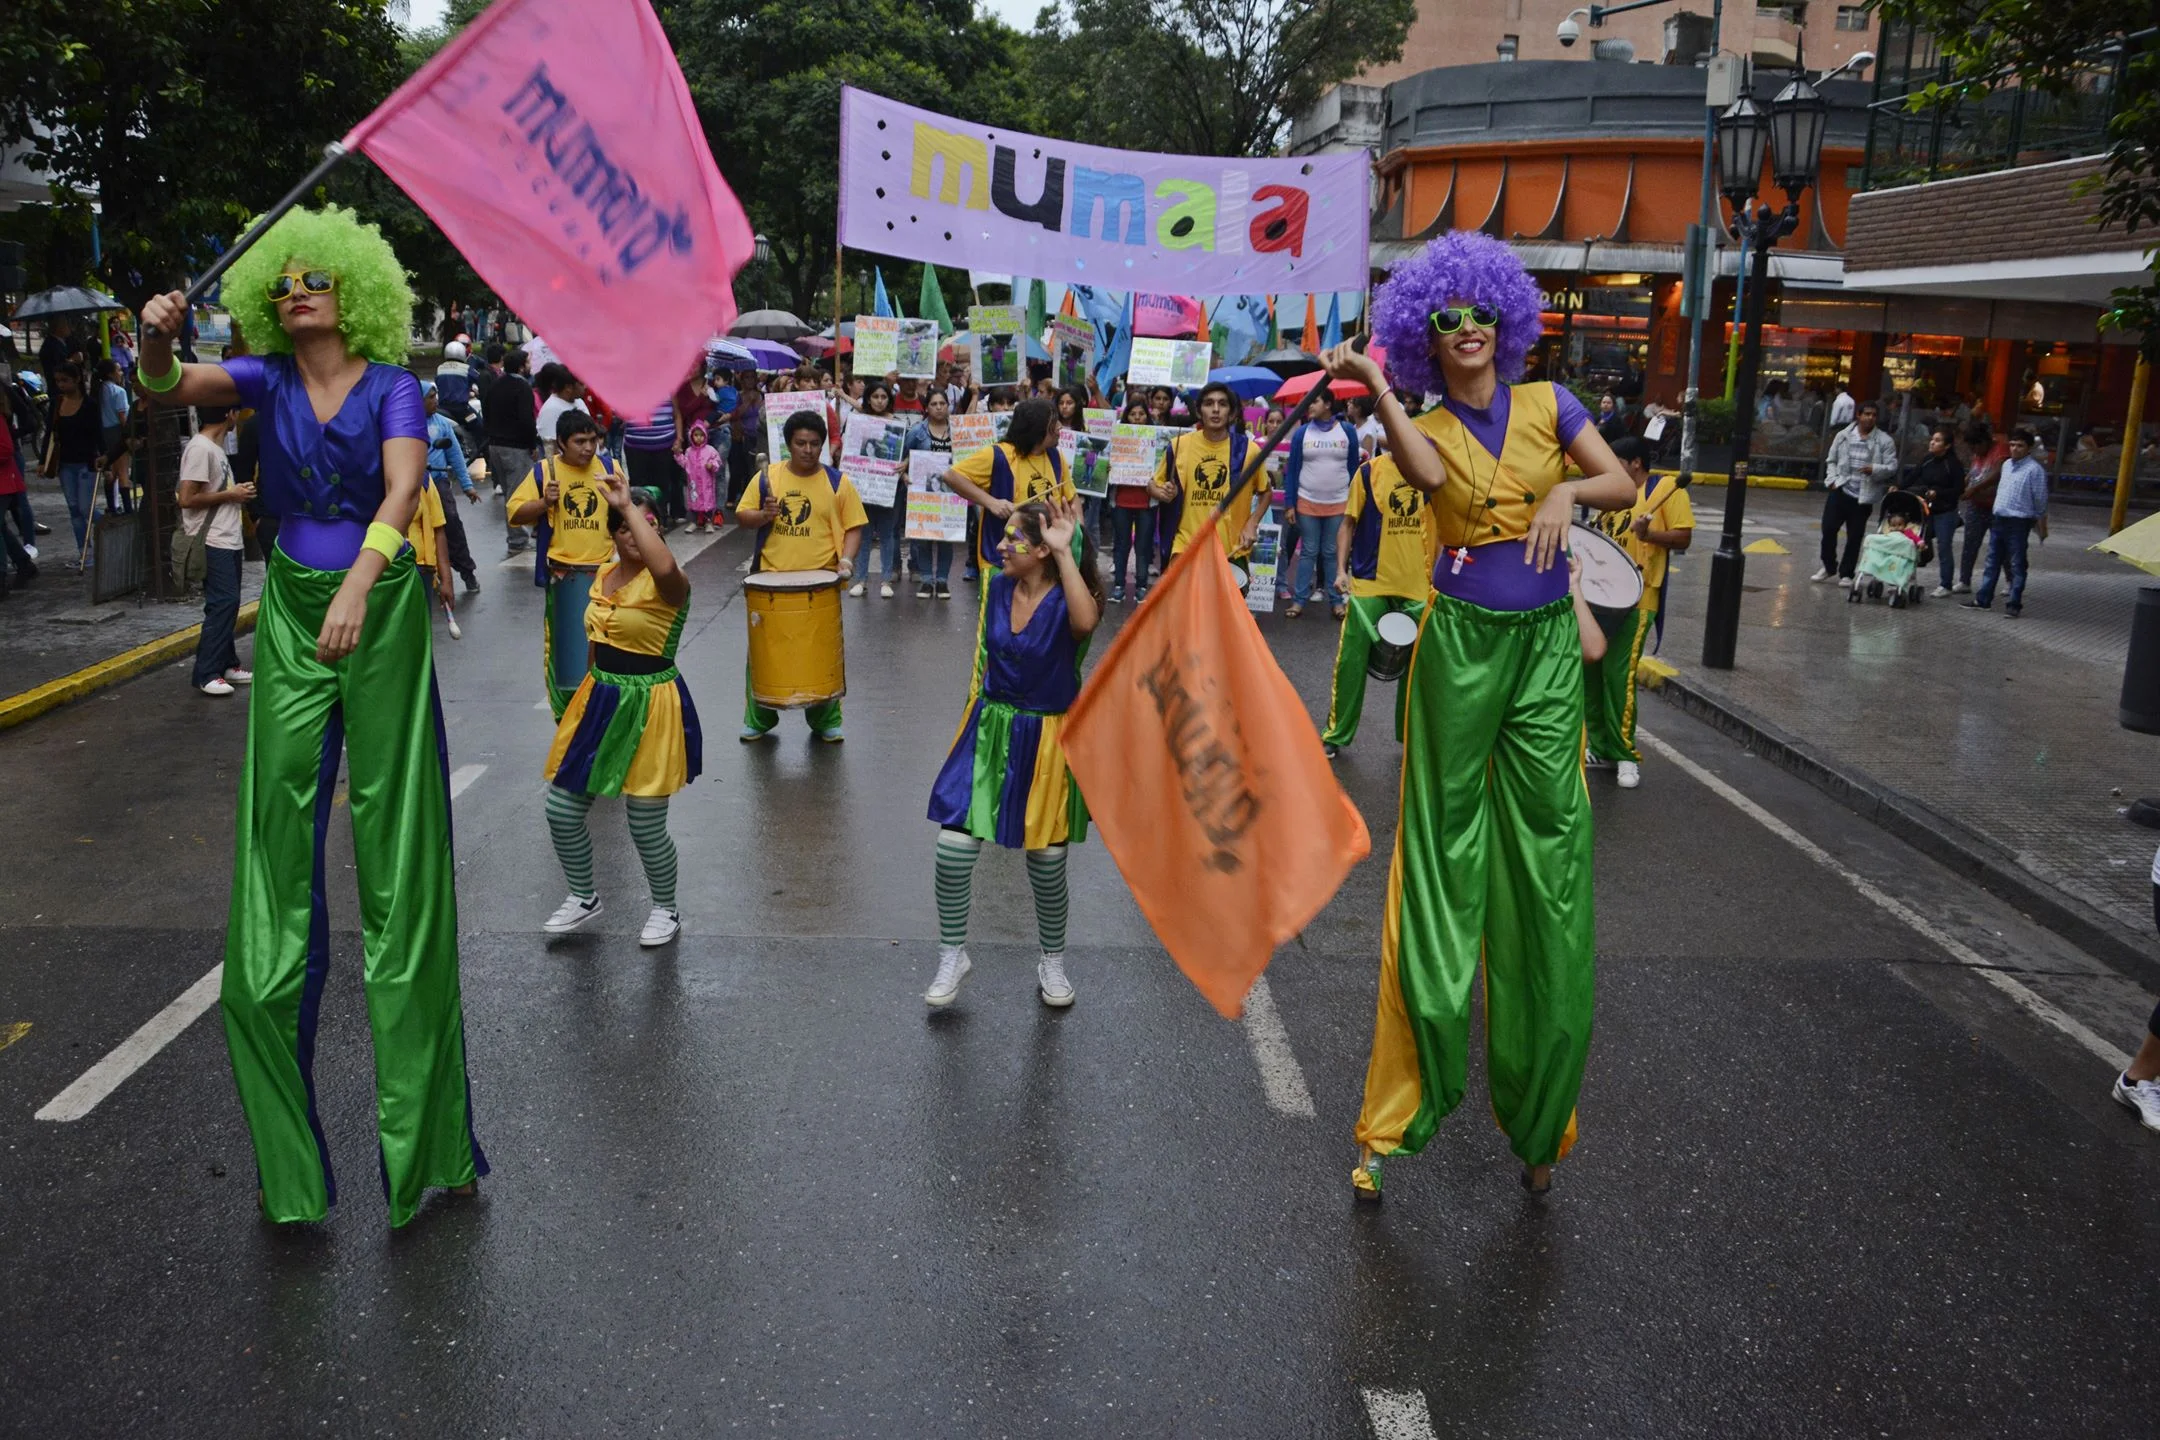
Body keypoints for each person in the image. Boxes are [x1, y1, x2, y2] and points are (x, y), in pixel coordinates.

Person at [136, 204, 486, 1226]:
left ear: (354, 292)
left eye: (313, 280)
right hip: (290, 607)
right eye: (280, 284)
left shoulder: (395, 387)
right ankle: (289, 1177)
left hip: (376, 614)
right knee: (274, 859)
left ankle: (429, 1149)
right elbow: (165, 385)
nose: (294, 293)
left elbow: (404, 482)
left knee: (398, 864)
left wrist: (363, 582)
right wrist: (157, 332)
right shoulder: (264, 381)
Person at [1318, 228, 1635, 1201]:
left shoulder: (1551, 404)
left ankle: (1542, 1123)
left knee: (1549, 872)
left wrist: (1570, 494)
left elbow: (1618, 484)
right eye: (1446, 317)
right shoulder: (1430, 429)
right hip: (1458, 647)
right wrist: (1373, 384)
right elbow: (1419, 474)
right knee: (1441, 866)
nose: (1467, 328)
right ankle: (1395, 1116)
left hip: (1542, 648)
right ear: (1428, 333)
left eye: (1480, 312)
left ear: (1506, 318)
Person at [922, 497, 1101, 1010]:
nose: (1000, 545)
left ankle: (1053, 960)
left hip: (1046, 739)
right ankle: (952, 954)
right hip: (988, 729)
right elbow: (981, 660)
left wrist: (1067, 555)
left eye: (1012, 538)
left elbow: (1086, 625)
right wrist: (966, 729)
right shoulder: (996, 587)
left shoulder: (1072, 596)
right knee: (953, 848)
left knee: (1046, 860)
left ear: (1042, 549)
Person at [540, 475, 700, 946]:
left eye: (649, 525)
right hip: (600, 698)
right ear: (613, 532)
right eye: (627, 526)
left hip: (652, 702)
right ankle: (584, 896)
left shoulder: (670, 582)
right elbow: (596, 643)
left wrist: (631, 506)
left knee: (645, 822)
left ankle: (666, 909)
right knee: (561, 809)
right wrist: (582, 703)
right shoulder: (604, 575)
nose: (636, 533)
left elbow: (665, 564)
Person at [735, 410, 865, 742]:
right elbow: (742, 516)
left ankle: (825, 720)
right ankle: (759, 718)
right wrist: (763, 514)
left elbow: (854, 526)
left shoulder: (838, 482)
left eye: (814, 444)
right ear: (789, 444)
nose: (807, 450)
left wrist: (847, 561)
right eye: (801, 443)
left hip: (820, 585)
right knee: (765, 653)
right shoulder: (768, 479)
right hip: (771, 582)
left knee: (821, 652)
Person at [1582, 435, 1693, 790]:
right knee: (1591, 678)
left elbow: (1684, 537)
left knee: (1619, 679)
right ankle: (1600, 746)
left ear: (1635, 463)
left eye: (1618, 460)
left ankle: (1626, 754)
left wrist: (1650, 535)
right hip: (1600, 601)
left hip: (1638, 601)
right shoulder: (1612, 494)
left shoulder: (1667, 490)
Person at [1320, 452, 1433, 759]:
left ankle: (1412, 737)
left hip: (1419, 583)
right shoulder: (1369, 472)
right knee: (1351, 658)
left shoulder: (1433, 469)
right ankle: (1336, 734)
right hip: (1371, 579)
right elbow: (1347, 523)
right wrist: (1341, 570)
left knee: (1422, 665)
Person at [509, 409, 620, 718]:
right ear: (560, 443)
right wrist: (544, 503)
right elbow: (515, 515)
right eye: (579, 441)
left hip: (607, 576)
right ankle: (568, 719)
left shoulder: (611, 468)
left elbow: (629, 515)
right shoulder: (545, 472)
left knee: (608, 648)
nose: (588, 448)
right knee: (563, 655)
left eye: (593, 440)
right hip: (563, 578)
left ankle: (604, 710)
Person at [941, 396, 1077, 586]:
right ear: (1037, 429)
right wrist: (991, 502)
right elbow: (951, 476)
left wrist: (1077, 534)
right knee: (999, 615)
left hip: (1043, 560)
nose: (1060, 428)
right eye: (1054, 423)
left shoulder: (1056, 457)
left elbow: (1072, 500)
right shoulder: (998, 454)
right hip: (1001, 560)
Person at [175, 406, 255, 694]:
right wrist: (230, 495)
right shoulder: (200, 449)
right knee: (224, 602)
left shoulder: (215, 448)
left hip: (227, 537)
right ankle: (206, 672)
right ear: (229, 414)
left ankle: (227, 662)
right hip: (212, 540)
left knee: (226, 602)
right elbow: (187, 498)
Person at [1151, 381, 1266, 563]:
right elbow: (1153, 485)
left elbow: (1265, 492)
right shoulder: (1178, 445)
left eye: (1222, 404)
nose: (1215, 409)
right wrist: (1162, 492)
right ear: (1198, 412)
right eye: (1209, 403)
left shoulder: (1248, 450)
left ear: (1232, 413)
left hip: (1231, 552)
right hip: (1185, 549)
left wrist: (1253, 523)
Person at [1281, 391, 1356, 619]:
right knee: (1309, 552)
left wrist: (1355, 503)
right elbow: (1292, 470)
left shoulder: (1348, 431)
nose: (1308, 406)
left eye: (1314, 401)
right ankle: (1299, 601)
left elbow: (1354, 469)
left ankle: (1336, 601)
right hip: (1307, 501)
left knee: (1332, 552)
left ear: (1328, 404)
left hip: (1339, 501)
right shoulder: (1302, 433)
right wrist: (1290, 504)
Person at [1965, 427, 2048, 618]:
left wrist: (2039, 521)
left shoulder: (2035, 470)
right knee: (1992, 560)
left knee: (2017, 562)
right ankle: (1983, 599)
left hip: (2019, 520)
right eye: (2012, 445)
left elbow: (2040, 499)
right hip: (2000, 517)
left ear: (2028, 448)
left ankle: (2014, 602)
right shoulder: (2007, 466)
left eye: (2020, 446)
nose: (2014, 449)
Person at [1813, 401, 1898, 585]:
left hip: (1863, 496)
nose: (1870, 418)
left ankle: (1847, 573)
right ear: (1858, 415)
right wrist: (1832, 480)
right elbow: (1831, 460)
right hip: (1841, 489)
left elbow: (1892, 467)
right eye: (1866, 414)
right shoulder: (1843, 436)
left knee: (1855, 536)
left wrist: (1874, 469)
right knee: (1828, 529)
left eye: (1874, 415)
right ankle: (1828, 566)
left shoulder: (1884, 440)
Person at [39, 361, 101, 563]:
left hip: (86, 463)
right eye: (58, 381)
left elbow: (97, 435)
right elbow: (49, 433)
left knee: (85, 508)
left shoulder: (90, 405)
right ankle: (85, 553)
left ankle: (110, 526)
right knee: (74, 509)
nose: (61, 385)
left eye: (65, 380)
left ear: (76, 380)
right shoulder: (57, 404)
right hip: (65, 464)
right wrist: (43, 461)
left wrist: (104, 460)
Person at [421, 382, 480, 594]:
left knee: (451, 522)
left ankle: (467, 572)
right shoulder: (406, 423)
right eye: (430, 397)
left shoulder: (442, 424)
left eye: (435, 396)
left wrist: (468, 486)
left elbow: (455, 454)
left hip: (438, 483)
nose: (435, 400)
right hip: (413, 485)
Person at [849, 379, 903, 597]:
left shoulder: (897, 424)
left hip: (889, 488)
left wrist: (906, 463)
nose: (880, 401)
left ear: (889, 400)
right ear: (868, 399)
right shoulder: (857, 422)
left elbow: (908, 451)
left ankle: (885, 581)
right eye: (875, 397)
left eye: (884, 397)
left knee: (888, 534)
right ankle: (860, 580)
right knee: (864, 533)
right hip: (862, 488)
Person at [482, 346, 539, 553]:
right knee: (518, 494)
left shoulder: (496, 383)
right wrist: (532, 444)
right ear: (522, 367)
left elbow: (486, 411)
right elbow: (526, 419)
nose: (530, 366)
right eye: (528, 363)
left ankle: (516, 537)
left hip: (495, 445)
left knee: (508, 491)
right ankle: (518, 539)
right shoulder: (522, 387)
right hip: (515, 447)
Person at [1898, 425, 1966, 598]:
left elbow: (1958, 489)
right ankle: (1908, 575)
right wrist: (1898, 488)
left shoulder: (1953, 465)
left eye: (1937, 441)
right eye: (1932, 440)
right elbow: (1913, 475)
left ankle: (1946, 584)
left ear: (1947, 445)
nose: (1932, 443)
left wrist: (1939, 493)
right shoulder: (1928, 459)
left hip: (1946, 511)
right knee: (1917, 540)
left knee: (1944, 545)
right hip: (1927, 509)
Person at [905, 388, 957, 598]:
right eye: (934, 404)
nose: (938, 408)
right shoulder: (917, 432)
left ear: (948, 406)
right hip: (923, 492)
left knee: (946, 537)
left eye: (942, 404)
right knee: (923, 538)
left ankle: (943, 581)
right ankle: (927, 580)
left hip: (951, 492)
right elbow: (903, 457)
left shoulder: (958, 431)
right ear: (927, 408)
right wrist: (905, 477)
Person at [1955, 420, 2005, 593]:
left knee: (2000, 545)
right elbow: (1972, 473)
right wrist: (1961, 486)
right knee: (1970, 542)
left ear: (1983, 443)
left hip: (1996, 505)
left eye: (1975, 448)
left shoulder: (1999, 451)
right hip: (1976, 504)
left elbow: (1996, 474)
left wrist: (1975, 488)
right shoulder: (1977, 454)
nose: (1974, 452)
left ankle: (2010, 580)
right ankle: (1964, 580)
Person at [97, 358, 133, 515]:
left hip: (104, 433)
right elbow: (122, 416)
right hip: (118, 432)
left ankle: (112, 506)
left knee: (111, 471)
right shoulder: (119, 392)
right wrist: (129, 435)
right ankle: (128, 509)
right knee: (123, 471)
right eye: (118, 370)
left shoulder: (99, 390)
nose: (120, 373)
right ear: (111, 374)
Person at [677, 419, 723, 531]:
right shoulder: (689, 451)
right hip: (694, 483)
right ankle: (693, 521)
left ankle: (708, 522)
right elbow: (684, 463)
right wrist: (678, 454)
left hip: (706, 482)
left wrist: (711, 465)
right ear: (691, 436)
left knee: (707, 502)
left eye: (702, 435)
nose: (699, 438)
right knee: (693, 501)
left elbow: (717, 461)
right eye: (696, 435)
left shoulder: (710, 450)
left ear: (706, 436)